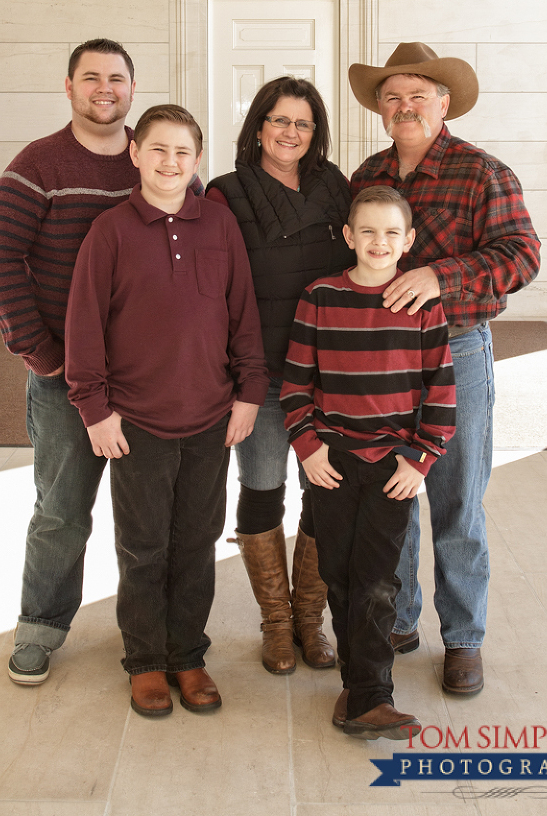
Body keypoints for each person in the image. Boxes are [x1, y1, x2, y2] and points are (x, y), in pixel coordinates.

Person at [0, 39, 201, 686]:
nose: (106, 88)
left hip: (150, 381)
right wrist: (39, 352)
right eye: (91, 78)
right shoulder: (38, 165)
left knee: (155, 521)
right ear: (69, 87)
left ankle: (158, 637)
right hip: (67, 379)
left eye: (118, 78)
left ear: (133, 88)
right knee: (63, 509)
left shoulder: (156, 154)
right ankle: (41, 625)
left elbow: (200, 231)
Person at [64, 105, 268, 719]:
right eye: (158, 150)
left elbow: (243, 316)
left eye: (182, 152)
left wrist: (249, 393)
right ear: (135, 153)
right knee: (144, 544)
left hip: (210, 418)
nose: (170, 162)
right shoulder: (111, 230)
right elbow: (84, 326)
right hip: (137, 423)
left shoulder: (220, 226)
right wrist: (95, 409)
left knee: (198, 541)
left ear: (197, 160)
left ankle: (187, 653)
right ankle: (146, 660)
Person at [349, 42, 541, 696]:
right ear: (380, 109)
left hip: (456, 349)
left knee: (456, 500)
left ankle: (463, 639)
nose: (405, 108)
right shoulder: (368, 173)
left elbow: (522, 256)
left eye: (418, 96)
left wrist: (440, 275)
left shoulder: (482, 172)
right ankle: (399, 620)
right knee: (391, 494)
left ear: (444, 103)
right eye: (392, 98)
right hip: (382, 356)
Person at [281, 186, 456, 740]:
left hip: (391, 467)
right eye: (368, 231)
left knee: (378, 580)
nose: (379, 242)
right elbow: (294, 385)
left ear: (408, 242)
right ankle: (356, 690)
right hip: (331, 463)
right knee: (339, 573)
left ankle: (370, 693)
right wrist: (308, 449)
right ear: (348, 236)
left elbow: (442, 392)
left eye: (391, 233)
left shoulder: (422, 305)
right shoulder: (321, 297)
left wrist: (421, 459)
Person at [206, 77, 353, 675]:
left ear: (315, 133)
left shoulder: (337, 187)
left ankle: (310, 623)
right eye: (279, 120)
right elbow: (216, 292)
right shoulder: (224, 193)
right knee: (263, 488)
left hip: (329, 373)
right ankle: (275, 623)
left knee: (324, 492)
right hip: (263, 374)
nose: (290, 132)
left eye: (303, 123)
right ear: (258, 127)